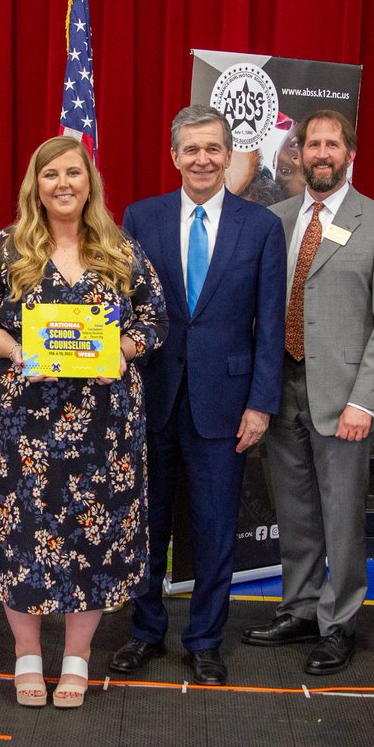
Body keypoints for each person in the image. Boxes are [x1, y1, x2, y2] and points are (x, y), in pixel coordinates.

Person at [0, 135, 168, 708]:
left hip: (103, 429)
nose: (63, 184)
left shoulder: (122, 251)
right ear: (36, 185)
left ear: (90, 183)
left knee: (92, 540)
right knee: (20, 536)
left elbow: (154, 320)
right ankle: (27, 655)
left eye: (73, 173)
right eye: (51, 175)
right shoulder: (4, 248)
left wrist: (120, 351)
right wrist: (16, 349)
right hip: (19, 429)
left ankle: (76, 657)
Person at [109, 105, 285, 686]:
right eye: (192, 149)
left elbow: (270, 325)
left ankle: (206, 639)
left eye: (214, 149)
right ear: (175, 156)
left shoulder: (261, 227)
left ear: (229, 153)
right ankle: (145, 631)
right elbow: (124, 308)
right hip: (151, 399)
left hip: (226, 407)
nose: (203, 159)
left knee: (214, 531)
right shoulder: (142, 217)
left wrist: (261, 404)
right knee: (147, 526)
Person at [241, 109, 374, 675]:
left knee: (342, 517)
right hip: (282, 388)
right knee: (295, 513)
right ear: (299, 153)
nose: (321, 153)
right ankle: (300, 608)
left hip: (344, 398)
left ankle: (339, 624)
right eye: (312, 143)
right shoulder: (277, 219)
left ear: (349, 154)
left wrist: (367, 400)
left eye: (331, 144)